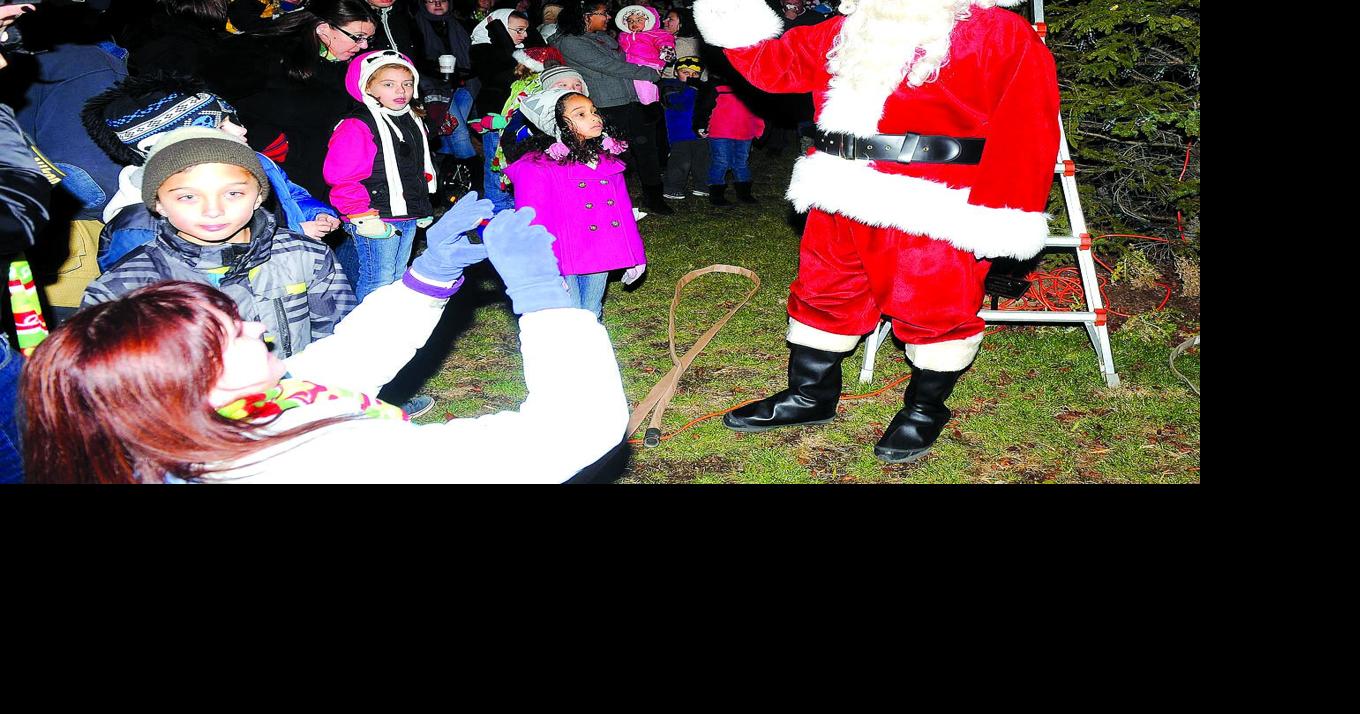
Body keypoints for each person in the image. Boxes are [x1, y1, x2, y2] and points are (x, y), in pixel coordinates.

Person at [21, 195, 631, 484]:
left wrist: (429, 276)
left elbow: (336, 367)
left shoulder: (213, 425)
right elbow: (564, 434)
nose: (256, 326)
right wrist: (546, 301)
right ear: (184, 381)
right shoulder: (318, 463)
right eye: (233, 334)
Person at [694, 0, 1059, 463]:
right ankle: (810, 396)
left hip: (932, 199)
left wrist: (1004, 211)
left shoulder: (999, 31)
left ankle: (925, 410)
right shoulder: (847, 27)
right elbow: (772, 66)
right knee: (822, 293)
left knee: (933, 307)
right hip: (838, 188)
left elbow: (1028, 125)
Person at [83, 128, 357, 363]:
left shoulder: (307, 255)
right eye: (188, 196)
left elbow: (340, 342)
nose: (213, 210)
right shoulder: (123, 287)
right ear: (158, 203)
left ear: (259, 196)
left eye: (233, 193)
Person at [82, 73, 342, 272]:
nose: (242, 131)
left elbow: (289, 193)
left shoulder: (256, 162)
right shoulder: (142, 223)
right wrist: (295, 236)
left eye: (234, 120)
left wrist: (316, 211)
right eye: (221, 125)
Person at [203, 0, 378, 199]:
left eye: (368, 39)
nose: (363, 45)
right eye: (358, 37)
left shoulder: (348, 68)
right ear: (323, 29)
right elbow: (213, 99)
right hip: (268, 174)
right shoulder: (263, 51)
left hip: (318, 180)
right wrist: (265, 139)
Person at [502, 88, 645, 319]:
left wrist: (635, 254)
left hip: (600, 249)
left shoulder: (606, 161)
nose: (594, 118)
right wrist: (547, 270)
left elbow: (622, 213)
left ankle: (592, 353)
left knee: (591, 312)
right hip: (561, 254)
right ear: (558, 124)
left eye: (594, 111)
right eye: (581, 114)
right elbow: (533, 222)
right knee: (567, 315)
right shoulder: (537, 166)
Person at [325, 50, 437, 302]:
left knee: (398, 274)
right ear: (368, 86)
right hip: (375, 213)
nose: (401, 91)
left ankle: (389, 325)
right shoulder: (357, 125)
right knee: (378, 277)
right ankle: (366, 331)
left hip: (406, 212)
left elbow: (416, 167)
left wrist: (421, 203)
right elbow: (342, 175)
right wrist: (359, 213)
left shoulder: (411, 120)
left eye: (407, 84)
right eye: (388, 84)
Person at [552, 1, 673, 214]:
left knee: (646, 149)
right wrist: (648, 73)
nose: (608, 17)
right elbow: (609, 66)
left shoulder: (605, 38)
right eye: (603, 13)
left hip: (632, 101)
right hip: (606, 105)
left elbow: (630, 57)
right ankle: (610, 200)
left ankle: (654, 198)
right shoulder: (571, 42)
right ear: (586, 16)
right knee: (613, 155)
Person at [658, 56, 709, 201]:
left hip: (700, 133)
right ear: (676, 72)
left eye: (695, 74)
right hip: (679, 133)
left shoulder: (703, 89)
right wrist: (691, 88)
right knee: (680, 161)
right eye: (686, 72)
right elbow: (678, 103)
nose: (691, 76)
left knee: (703, 159)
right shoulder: (669, 86)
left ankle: (702, 185)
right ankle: (672, 187)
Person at [614, 5, 675, 105]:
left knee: (645, 90)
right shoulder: (624, 36)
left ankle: (650, 106)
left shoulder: (654, 33)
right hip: (630, 65)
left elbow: (664, 40)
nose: (634, 23)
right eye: (630, 21)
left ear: (649, 21)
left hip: (648, 64)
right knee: (633, 89)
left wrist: (666, 50)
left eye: (639, 20)